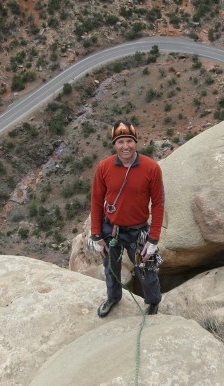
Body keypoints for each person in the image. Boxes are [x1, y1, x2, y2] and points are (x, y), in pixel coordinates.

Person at [90, 119, 165, 317]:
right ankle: (113, 298)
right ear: (114, 144)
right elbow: (96, 201)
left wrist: (153, 239)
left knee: (146, 269)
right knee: (110, 268)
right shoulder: (104, 167)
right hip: (111, 229)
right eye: (120, 142)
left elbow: (158, 204)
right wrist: (96, 235)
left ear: (136, 142)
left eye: (129, 141)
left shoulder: (151, 168)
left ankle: (153, 302)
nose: (125, 146)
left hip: (138, 231)